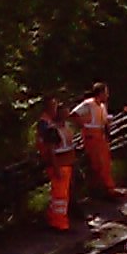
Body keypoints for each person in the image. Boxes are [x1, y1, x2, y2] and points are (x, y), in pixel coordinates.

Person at [72, 81, 123, 199]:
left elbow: (104, 121)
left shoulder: (102, 106)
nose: (107, 95)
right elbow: (74, 114)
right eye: (106, 92)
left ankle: (109, 189)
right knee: (97, 164)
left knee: (105, 163)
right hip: (92, 136)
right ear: (100, 93)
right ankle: (102, 191)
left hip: (100, 136)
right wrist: (85, 124)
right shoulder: (88, 104)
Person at [35, 95, 77, 233]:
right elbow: (51, 150)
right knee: (60, 196)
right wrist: (56, 167)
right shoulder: (51, 128)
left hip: (66, 163)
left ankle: (58, 220)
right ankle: (59, 223)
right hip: (60, 165)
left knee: (62, 195)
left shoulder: (61, 127)